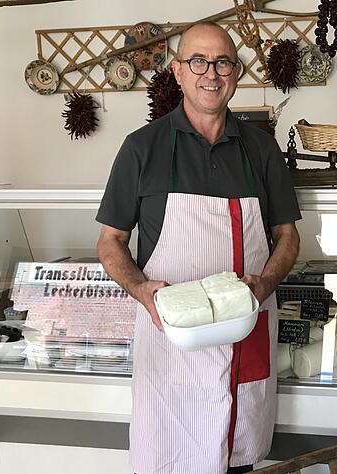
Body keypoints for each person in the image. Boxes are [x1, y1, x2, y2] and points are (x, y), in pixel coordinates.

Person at [95, 21, 301, 474]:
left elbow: (288, 235)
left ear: (237, 71)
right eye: (198, 62)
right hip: (170, 343)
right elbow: (110, 243)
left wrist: (264, 284)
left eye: (223, 62)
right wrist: (142, 290)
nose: (212, 73)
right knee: (171, 454)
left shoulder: (262, 150)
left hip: (244, 335)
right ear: (179, 71)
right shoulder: (141, 149)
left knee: (239, 454)